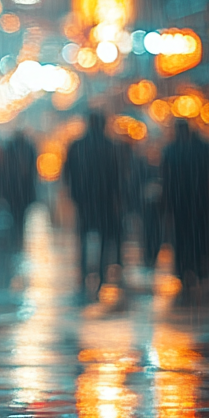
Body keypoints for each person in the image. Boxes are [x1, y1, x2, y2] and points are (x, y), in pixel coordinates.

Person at [62, 111, 128, 297]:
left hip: (84, 201)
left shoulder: (77, 146)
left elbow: (68, 173)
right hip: (105, 201)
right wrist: (117, 197)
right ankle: (100, 273)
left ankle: (84, 275)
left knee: (83, 238)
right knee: (105, 239)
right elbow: (119, 176)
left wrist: (75, 194)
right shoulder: (111, 146)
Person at [161, 120, 209, 292]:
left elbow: (167, 180)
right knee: (198, 236)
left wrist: (168, 202)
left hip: (181, 203)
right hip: (198, 202)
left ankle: (185, 268)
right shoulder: (202, 148)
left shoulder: (171, 151)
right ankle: (198, 268)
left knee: (182, 237)